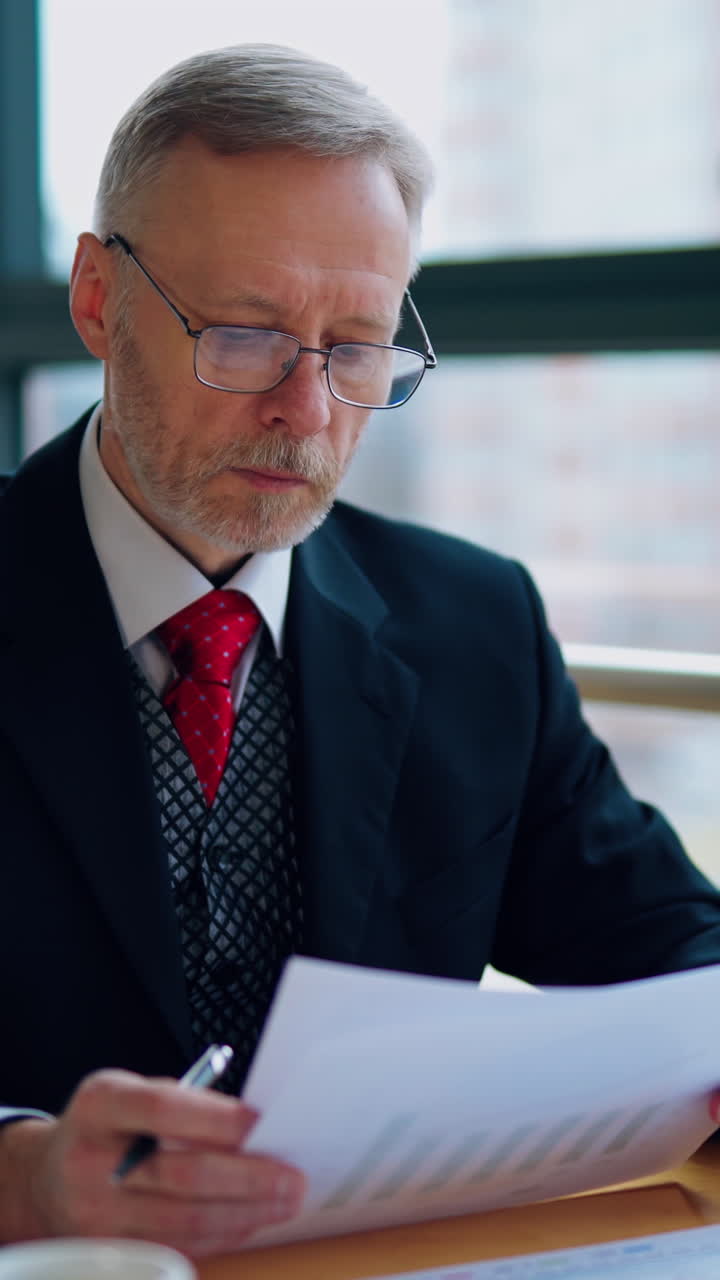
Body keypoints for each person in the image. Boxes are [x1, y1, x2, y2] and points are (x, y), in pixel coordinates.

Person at [1, 42, 720, 1259]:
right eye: (244, 332)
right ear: (94, 300)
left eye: (359, 345)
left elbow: (670, 953)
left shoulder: (473, 623)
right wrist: (21, 1176)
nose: (310, 410)